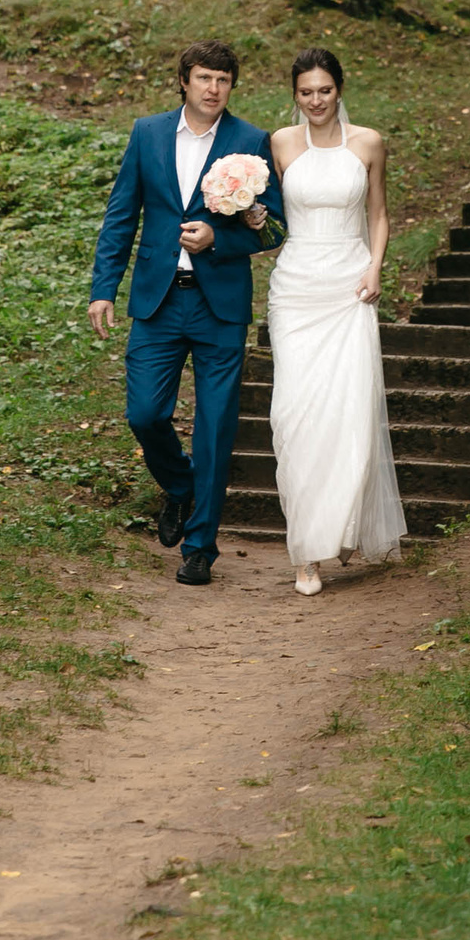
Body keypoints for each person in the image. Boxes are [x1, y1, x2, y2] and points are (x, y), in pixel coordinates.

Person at [88, 42, 286, 585]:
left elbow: (274, 228)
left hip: (218, 303)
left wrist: (218, 239)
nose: (213, 88)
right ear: (183, 80)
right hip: (158, 299)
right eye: (203, 77)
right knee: (145, 415)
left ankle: (200, 546)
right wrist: (103, 288)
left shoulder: (251, 142)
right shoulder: (147, 133)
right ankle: (180, 487)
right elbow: (121, 214)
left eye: (223, 79)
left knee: (216, 427)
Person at [265, 48, 406, 594]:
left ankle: (338, 529)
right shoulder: (280, 143)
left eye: (324, 90)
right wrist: (252, 213)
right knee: (293, 416)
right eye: (306, 92)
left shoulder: (367, 142)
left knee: (350, 413)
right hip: (296, 288)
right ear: (294, 94)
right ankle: (306, 549)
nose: (316, 100)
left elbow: (378, 213)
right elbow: (271, 220)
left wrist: (374, 267)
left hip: (349, 286)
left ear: (339, 89)